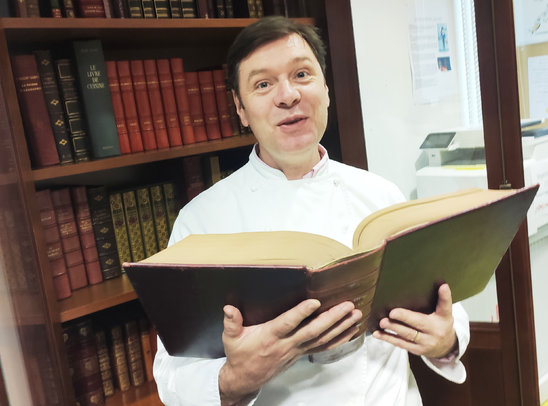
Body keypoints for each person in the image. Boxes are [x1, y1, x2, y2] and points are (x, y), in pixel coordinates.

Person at [153, 16, 470, 405]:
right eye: (263, 84)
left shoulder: (382, 195)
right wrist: (234, 378)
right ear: (240, 108)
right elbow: (172, 375)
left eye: (302, 74)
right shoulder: (201, 222)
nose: (288, 96)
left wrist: (446, 340)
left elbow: (446, 307)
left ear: (325, 87)